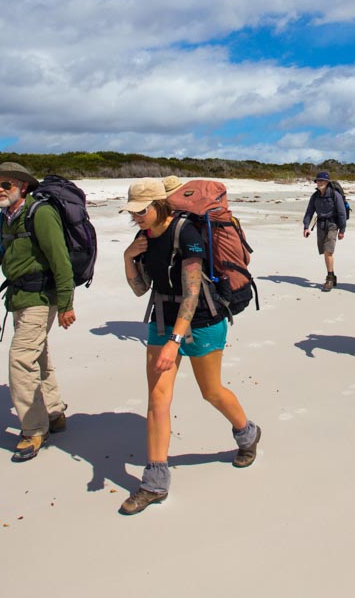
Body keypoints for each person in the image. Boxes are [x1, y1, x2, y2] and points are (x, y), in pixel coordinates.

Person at [119, 179, 261, 515]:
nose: (136, 217)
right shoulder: (143, 237)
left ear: (160, 204)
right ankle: (155, 482)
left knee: (210, 391)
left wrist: (175, 341)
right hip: (161, 321)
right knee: (157, 399)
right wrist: (128, 258)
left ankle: (247, 433)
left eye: (142, 211)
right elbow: (141, 289)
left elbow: (193, 292)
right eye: (132, 212)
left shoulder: (187, 235)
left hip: (201, 322)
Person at [0, 162, 76, 462]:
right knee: (39, 355)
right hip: (18, 299)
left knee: (20, 359)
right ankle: (54, 412)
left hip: (40, 298)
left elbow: (61, 260)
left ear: (23, 186)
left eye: (6, 184)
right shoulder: (3, 220)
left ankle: (34, 429)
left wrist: (66, 304)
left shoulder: (41, 214)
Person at [302, 170, 347, 291]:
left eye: (322, 181)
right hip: (321, 225)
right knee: (324, 251)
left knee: (328, 251)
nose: (320, 182)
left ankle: (330, 278)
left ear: (327, 182)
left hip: (333, 224)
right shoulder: (315, 196)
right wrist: (306, 227)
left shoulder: (334, 195)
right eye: (318, 181)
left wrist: (342, 229)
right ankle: (332, 275)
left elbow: (342, 213)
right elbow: (309, 212)